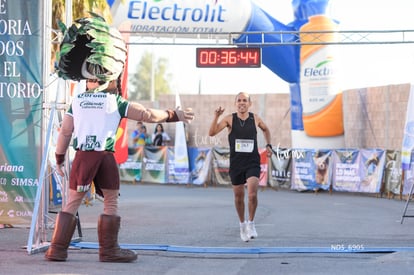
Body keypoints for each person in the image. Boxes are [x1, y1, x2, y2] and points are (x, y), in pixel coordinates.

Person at [208, 92, 272, 242]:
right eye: (239, 100)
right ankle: (242, 225)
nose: (242, 103)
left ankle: (251, 223)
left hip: (252, 161)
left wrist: (268, 145)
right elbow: (211, 133)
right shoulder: (229, 119)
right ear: (235, 103)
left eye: (245, 100)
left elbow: (266, 129)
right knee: (238, 197)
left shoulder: (255, 118)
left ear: (250, 103)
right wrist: (216, 116)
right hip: (236, 163)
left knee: (252, 194)